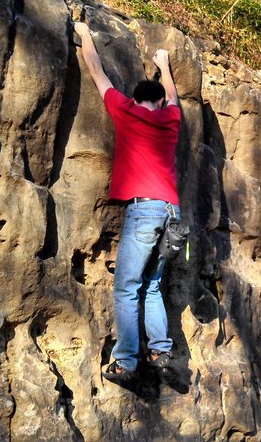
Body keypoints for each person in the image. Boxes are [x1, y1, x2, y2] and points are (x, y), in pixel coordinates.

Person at [73, 21, 181, 381]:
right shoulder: (171, 120)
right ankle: (161, 351)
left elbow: (96, 71)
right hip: (172, 214)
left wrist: (85, 34)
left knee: (127, 287)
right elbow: (175, 99)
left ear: (136, 100)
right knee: (151, 285)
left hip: (145, 208)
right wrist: (165, 65)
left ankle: (127, 362)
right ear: (160, 102)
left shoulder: (127, 112)